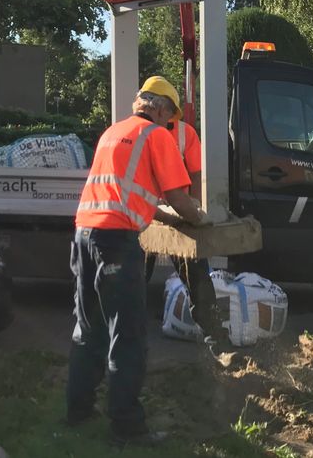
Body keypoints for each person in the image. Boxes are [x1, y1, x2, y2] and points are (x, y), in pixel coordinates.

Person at [66, 76, 205, 447]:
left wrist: (168, 218)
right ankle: (127, 427)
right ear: (159, 108)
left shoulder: (113, 132)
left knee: (88, 329)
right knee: (127, 336)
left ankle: (77, 412)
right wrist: (197, 218)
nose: (169, 124)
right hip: (115, 242)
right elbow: (177, 194)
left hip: (84, 234)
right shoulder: (155, 136)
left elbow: (128, 193)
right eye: (170, 117)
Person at [147, 106, 229, 345]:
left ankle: (216, 338)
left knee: (197, 276)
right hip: (158, 214)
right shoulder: (146, 135)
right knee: (137, 280)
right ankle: (216, 338)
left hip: (171, 213)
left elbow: (195, 174)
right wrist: (192, 213)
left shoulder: (183, 134)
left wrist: (192, 206)